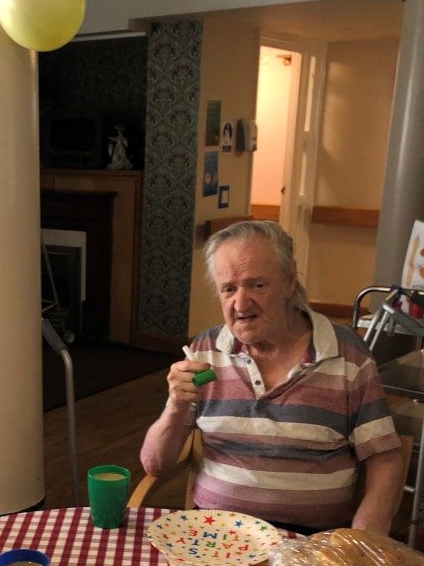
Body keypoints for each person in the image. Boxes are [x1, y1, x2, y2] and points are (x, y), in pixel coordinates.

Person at [140, 219, 403, 535]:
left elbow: (384, 460)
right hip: (215, 536)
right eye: (229, 289)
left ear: (290, 280)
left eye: (257, 285)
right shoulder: (205, 352)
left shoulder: (347, 356)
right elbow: (155, 464)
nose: (240, 304)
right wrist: (175, 405)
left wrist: (362, 540)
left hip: (310, 542)